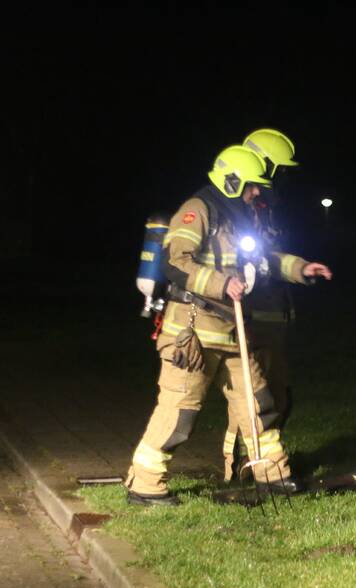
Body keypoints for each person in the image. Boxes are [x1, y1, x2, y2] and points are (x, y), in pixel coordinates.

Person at [125, 144, 331, 505]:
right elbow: (176, 261)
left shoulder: (241, 216)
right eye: (252, 186)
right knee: (179, 410)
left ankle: (272, 474)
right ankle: (145, 484)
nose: (257, 193)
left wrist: (300, 268)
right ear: (233, 181)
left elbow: (263, 260)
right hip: (193, 334)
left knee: (258, 404)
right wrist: (222, 284)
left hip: (233, 332)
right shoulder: (198, 210)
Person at [219, 129, 332, 482]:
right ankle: (239, 466)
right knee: (252, 397)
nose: (280, 179)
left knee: (277, 396)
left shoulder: (262, 211)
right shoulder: (233, 212)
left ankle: (264, 460)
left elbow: (269, 258)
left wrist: (300, 268)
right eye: (278, 170)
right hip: (251, 317)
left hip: (273, 316)